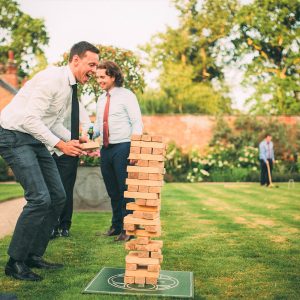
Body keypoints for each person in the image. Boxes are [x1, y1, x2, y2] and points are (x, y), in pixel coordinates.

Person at [0, 41, 99, 281]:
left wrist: (76, 142)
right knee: (39, 198)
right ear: (76, 60)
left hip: (34, 137)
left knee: (58, 196)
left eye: (97, 66)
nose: (94, 71)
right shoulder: (52, 79)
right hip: (13, 135)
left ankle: (34, 255)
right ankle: (15, 262)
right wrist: (61, 144)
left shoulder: (69, 87)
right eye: (91, 64)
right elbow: (31, 119)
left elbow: (53, 123)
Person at [94, 61, 143, 242]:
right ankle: (116, 226)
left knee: (125, 190)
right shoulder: (101, 99)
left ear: (113, 76)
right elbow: (99, 125)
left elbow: (137, 122)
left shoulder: (127, 96)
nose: (99, 80)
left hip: (123, 147)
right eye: (97, 77)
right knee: (112, 191)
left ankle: (128, 229)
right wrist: (88, 133)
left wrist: (135, 149)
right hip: (106, 150)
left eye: (102, 77)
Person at [50, 102, 91, 239]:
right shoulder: (51, 100)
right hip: (49, 151)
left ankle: (65, 226)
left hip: (69, 153)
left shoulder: (76, 103)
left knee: (66, 189)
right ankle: (52, 226)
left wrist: (84, 137)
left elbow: (87, 124)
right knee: (51, 190)